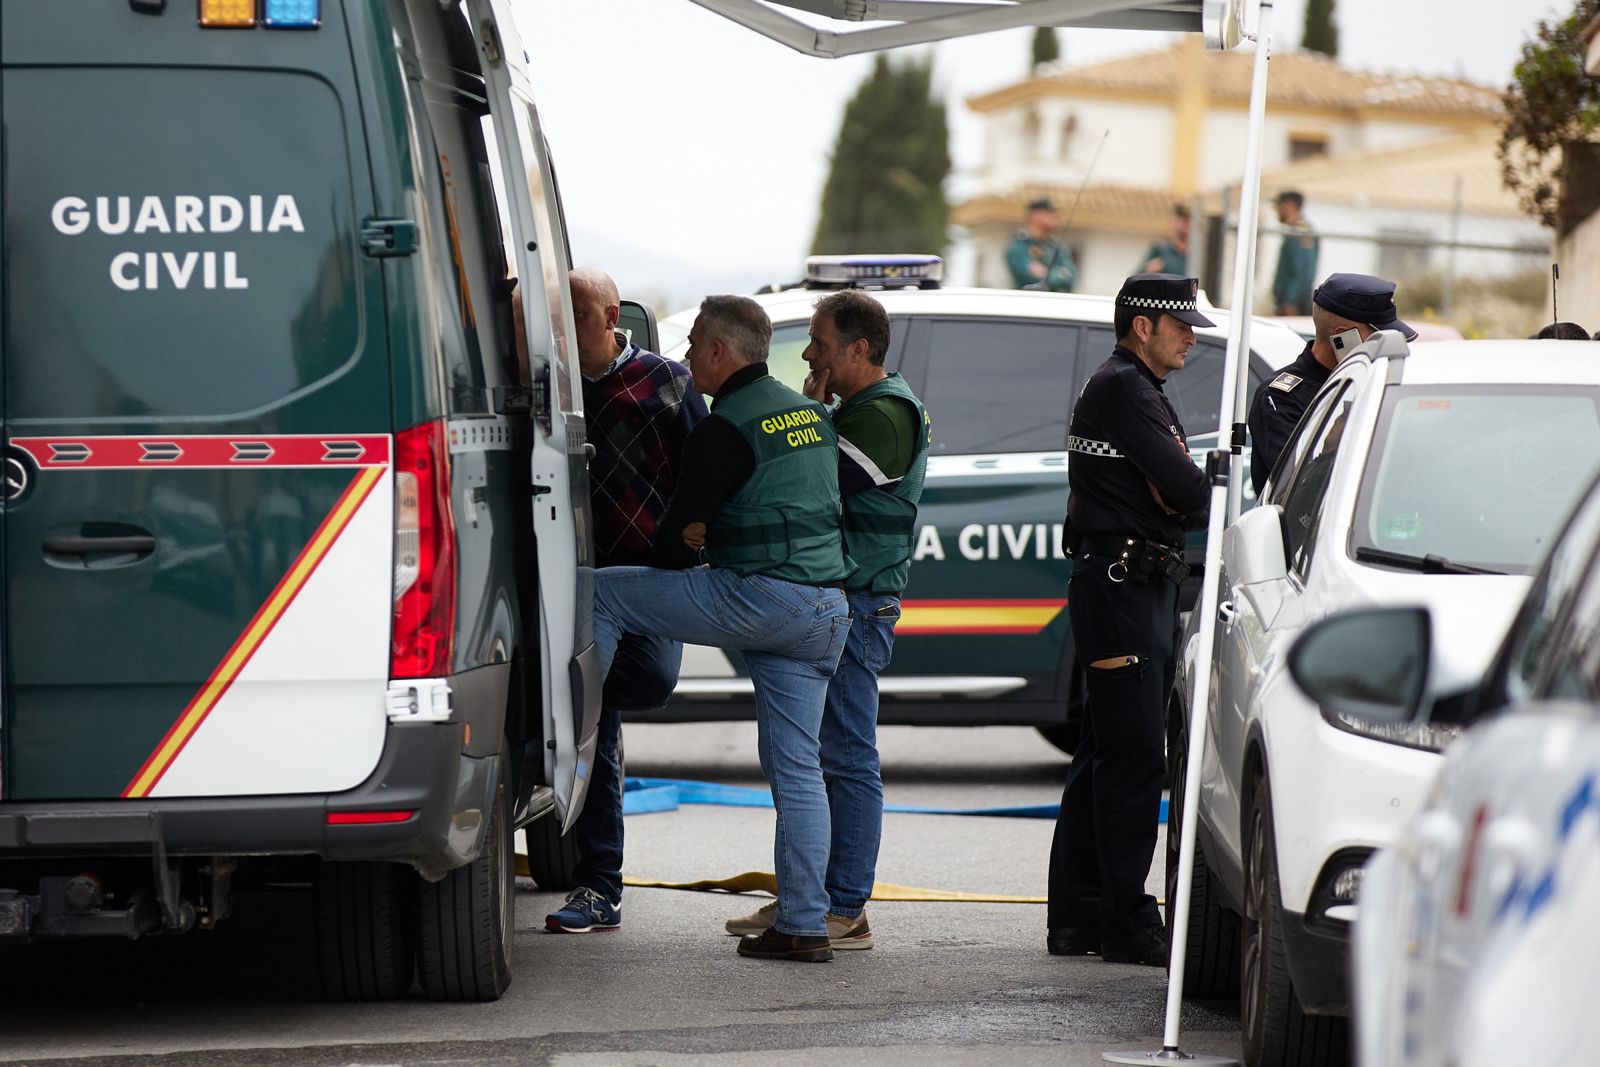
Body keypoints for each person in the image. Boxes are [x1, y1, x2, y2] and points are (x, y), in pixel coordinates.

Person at [586, 295, 852, 963]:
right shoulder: (810, 412)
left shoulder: (723, 425)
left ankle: (581, 729)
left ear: (717, 351)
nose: (684, 355)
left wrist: (678, 560)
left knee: (603, 592)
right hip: (826, 610)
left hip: (762, 599)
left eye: (694, 340)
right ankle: (802, 924)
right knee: (798, 772)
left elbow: (676, 542)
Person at [722, 290, 931, 952]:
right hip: (840, 597)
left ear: (859, 349)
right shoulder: (855, 409)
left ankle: (842, 907)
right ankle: (809, 898)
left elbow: (811, 480)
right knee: (813, 760)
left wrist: (808, 408)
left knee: (845, 755)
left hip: (862, 600)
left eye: (819, 342)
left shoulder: (888, 415)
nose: (809, 354)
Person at [1046, 273, 1214, 966]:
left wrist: (1171, 489)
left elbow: (1174, 491)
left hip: (1127, 581)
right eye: (1180, 324)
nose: (1191, 337)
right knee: (1135, 756)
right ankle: (1127, 920)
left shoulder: (1134, 389)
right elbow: (1189, 492)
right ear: (1143, 325)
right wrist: (1176, 487)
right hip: (1121, 585)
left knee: (1105, 753)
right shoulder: (1126, 389)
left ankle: (1080, 916)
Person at [543, 269, 708, 935]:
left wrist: (693, 553)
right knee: (598, 710)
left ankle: (596, 878)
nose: (560, 332)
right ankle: (599, 884)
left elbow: (705, 478)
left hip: (646, 583)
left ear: (610, 315)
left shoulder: (669, 384)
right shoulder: (553, 391)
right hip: (577, 585)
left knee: (647, 683)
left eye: (573, 316)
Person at [1247, 272, 1416, 496]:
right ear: (1344, 337)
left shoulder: (1379, 385)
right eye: (1378, 337)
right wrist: (1330, 448)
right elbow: (1301, 491)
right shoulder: (1280, 398)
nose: (1388, 346)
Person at [1006, 197, 1077, 292]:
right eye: (1050, 212)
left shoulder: (1056, 247)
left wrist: (1046, 272)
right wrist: (1061, 273)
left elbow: (1071, 276)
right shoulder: (1019, 247)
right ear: (1036, 215)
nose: (1056, 216)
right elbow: (1031, 278)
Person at [1271, 190, 1318, 316]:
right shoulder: (1294, 231)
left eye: (1278, 206)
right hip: (1289, 300)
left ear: (1289, 205)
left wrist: (1290, 301)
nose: (1276, 209)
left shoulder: (1300, 232)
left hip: (1294, 303)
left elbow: (1303, 271)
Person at [1138, 204, 1190, 275]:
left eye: (1187, 221)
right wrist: (1147, 271)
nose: (1185, 226)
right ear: (1173, 223)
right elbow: (1135, 280)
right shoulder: (1159, 251)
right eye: (1182, 220)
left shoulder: (1201, 256)